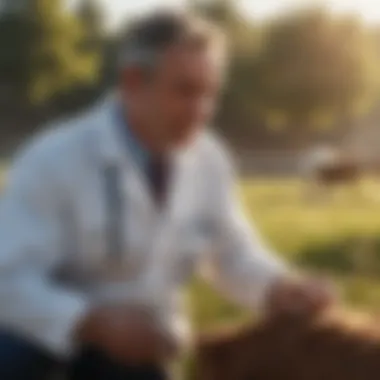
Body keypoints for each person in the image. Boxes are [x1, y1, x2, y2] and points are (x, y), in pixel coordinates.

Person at [0, 10, 334, 380]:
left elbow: (232, 253)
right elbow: (8, 280)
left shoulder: (209, 160)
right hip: (41, 341)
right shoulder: (55, 159)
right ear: (132, 82)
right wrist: (90, 321)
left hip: (142, 347)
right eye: (185, 91)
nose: (200, 112)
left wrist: (278, 287)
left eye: (210, 95)